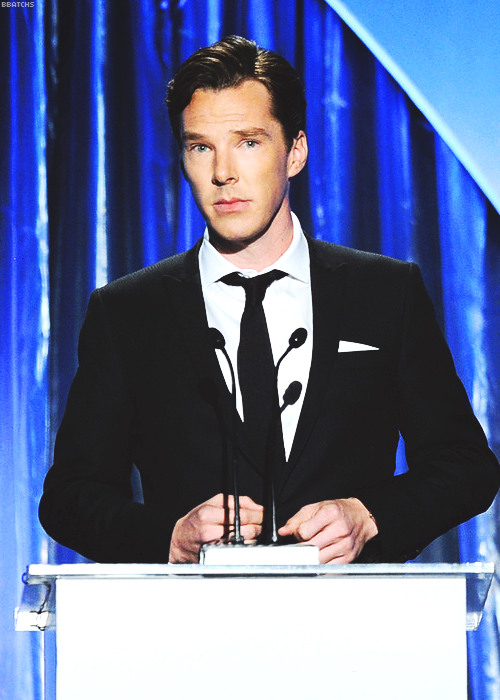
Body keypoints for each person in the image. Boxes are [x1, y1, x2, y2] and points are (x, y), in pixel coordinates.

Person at [39, 36, 499, 565]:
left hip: (356, 627)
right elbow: (70, 495)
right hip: (190, 631)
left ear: (296, 151)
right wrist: (168, 535)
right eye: (200, 146)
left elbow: (466, 464)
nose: (222, 173)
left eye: (249, 142)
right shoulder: (127, 313)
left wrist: (368, 515)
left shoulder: (386, 293)